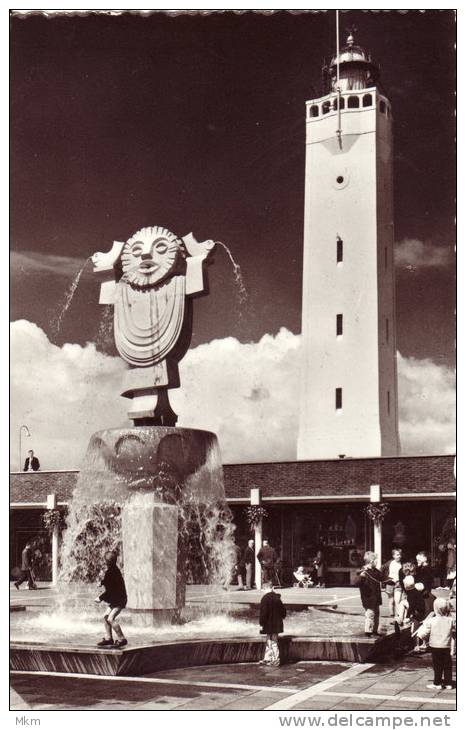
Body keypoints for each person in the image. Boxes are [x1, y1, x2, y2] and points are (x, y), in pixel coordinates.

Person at [416, 598, 455, 690]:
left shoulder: (431, 621)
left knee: (437, 665)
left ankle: (437, 683)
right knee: (447, 665)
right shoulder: (450, 620)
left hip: (435, 646)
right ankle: (448, 683)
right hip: (446, 646)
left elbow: (423, 634)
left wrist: (422, 632)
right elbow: (454, 632)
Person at [95, 551, 128, 648]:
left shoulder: (111, 572)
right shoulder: (114, 570)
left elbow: (110, 590)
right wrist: (102, 582)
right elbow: (109, 582)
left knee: (110, 618)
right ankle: (109, 639)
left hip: (119, 600)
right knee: (105, 617)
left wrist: (100, 598)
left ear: (107, 562)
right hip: (116, 599)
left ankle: (122, 639)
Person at [355, 551, 384, 637]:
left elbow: (382, 577)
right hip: (368, 598)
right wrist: (360, 577)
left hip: (376, 597)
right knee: (370, 615)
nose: (377, 562)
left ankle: (374, 631)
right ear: (371, 561)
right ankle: (368, 632)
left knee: (376, 615)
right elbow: (356, 583)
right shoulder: (364, 571)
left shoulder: (376, 571)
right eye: (376, 561)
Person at [258, 583, 286, 667]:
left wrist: (261, 623)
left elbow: (263, 613)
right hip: (277, 624)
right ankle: (268, 658)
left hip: (269, 624)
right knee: (271, 641)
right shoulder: (277, 597)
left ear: (264, 589)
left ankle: (275, 659)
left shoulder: (265, 598)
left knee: (271, 642)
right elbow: (283, 611)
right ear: (272, 588)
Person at [381, 548, 403, 621]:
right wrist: (385, 580)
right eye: (397, 555)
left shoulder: (402, 564)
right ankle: (392, 615)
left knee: (397, 600)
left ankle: (398, 616)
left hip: (398, 584)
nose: (399, 556)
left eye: (400, 554)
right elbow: (382, 570)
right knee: (391, 600)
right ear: (393, 556)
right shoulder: (389, 563)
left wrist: (400, 581)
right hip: (390, 584)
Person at [416, 551, 435, 617]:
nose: (417, 561)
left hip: (425, 593)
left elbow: (425, 582)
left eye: (418, 560)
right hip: (423, 592)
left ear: (425, 558)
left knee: (426, 612)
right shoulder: (420, 568)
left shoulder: (427, 569)